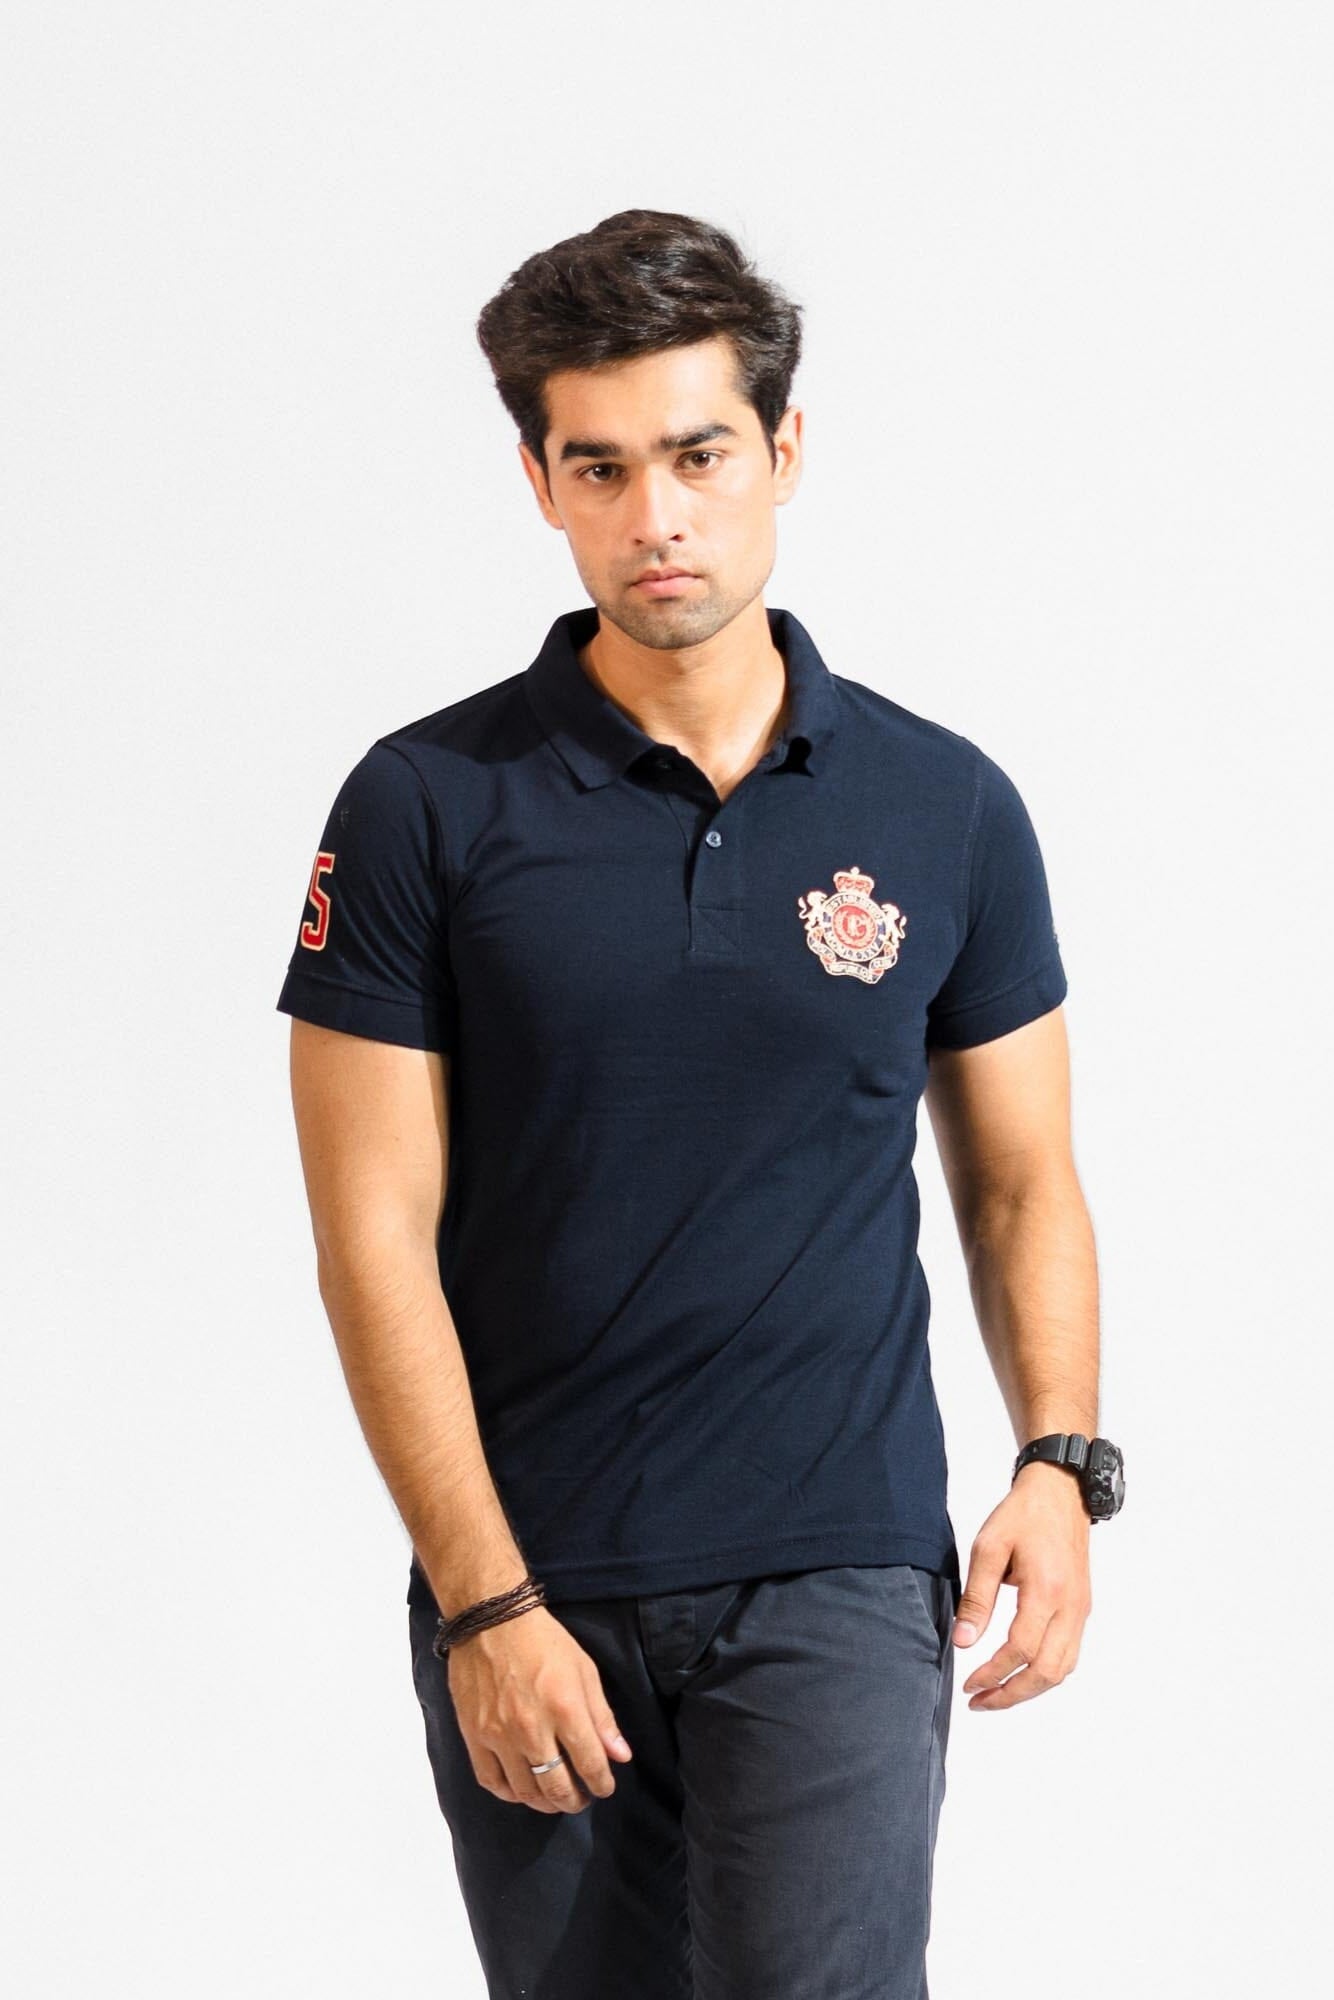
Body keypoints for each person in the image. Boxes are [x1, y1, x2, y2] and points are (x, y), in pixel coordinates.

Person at [276, 208, 1123, 2000]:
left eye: (698, 455)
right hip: (536, 1575)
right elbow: (370, 1240)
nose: (655, 515)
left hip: (838, 1565)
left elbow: (1020, 1182)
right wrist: (485, 1602)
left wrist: (1057, 1461)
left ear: (782, 451)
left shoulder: (944, 805)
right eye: (600, 467)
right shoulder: (426, 804)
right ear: (540, 483)